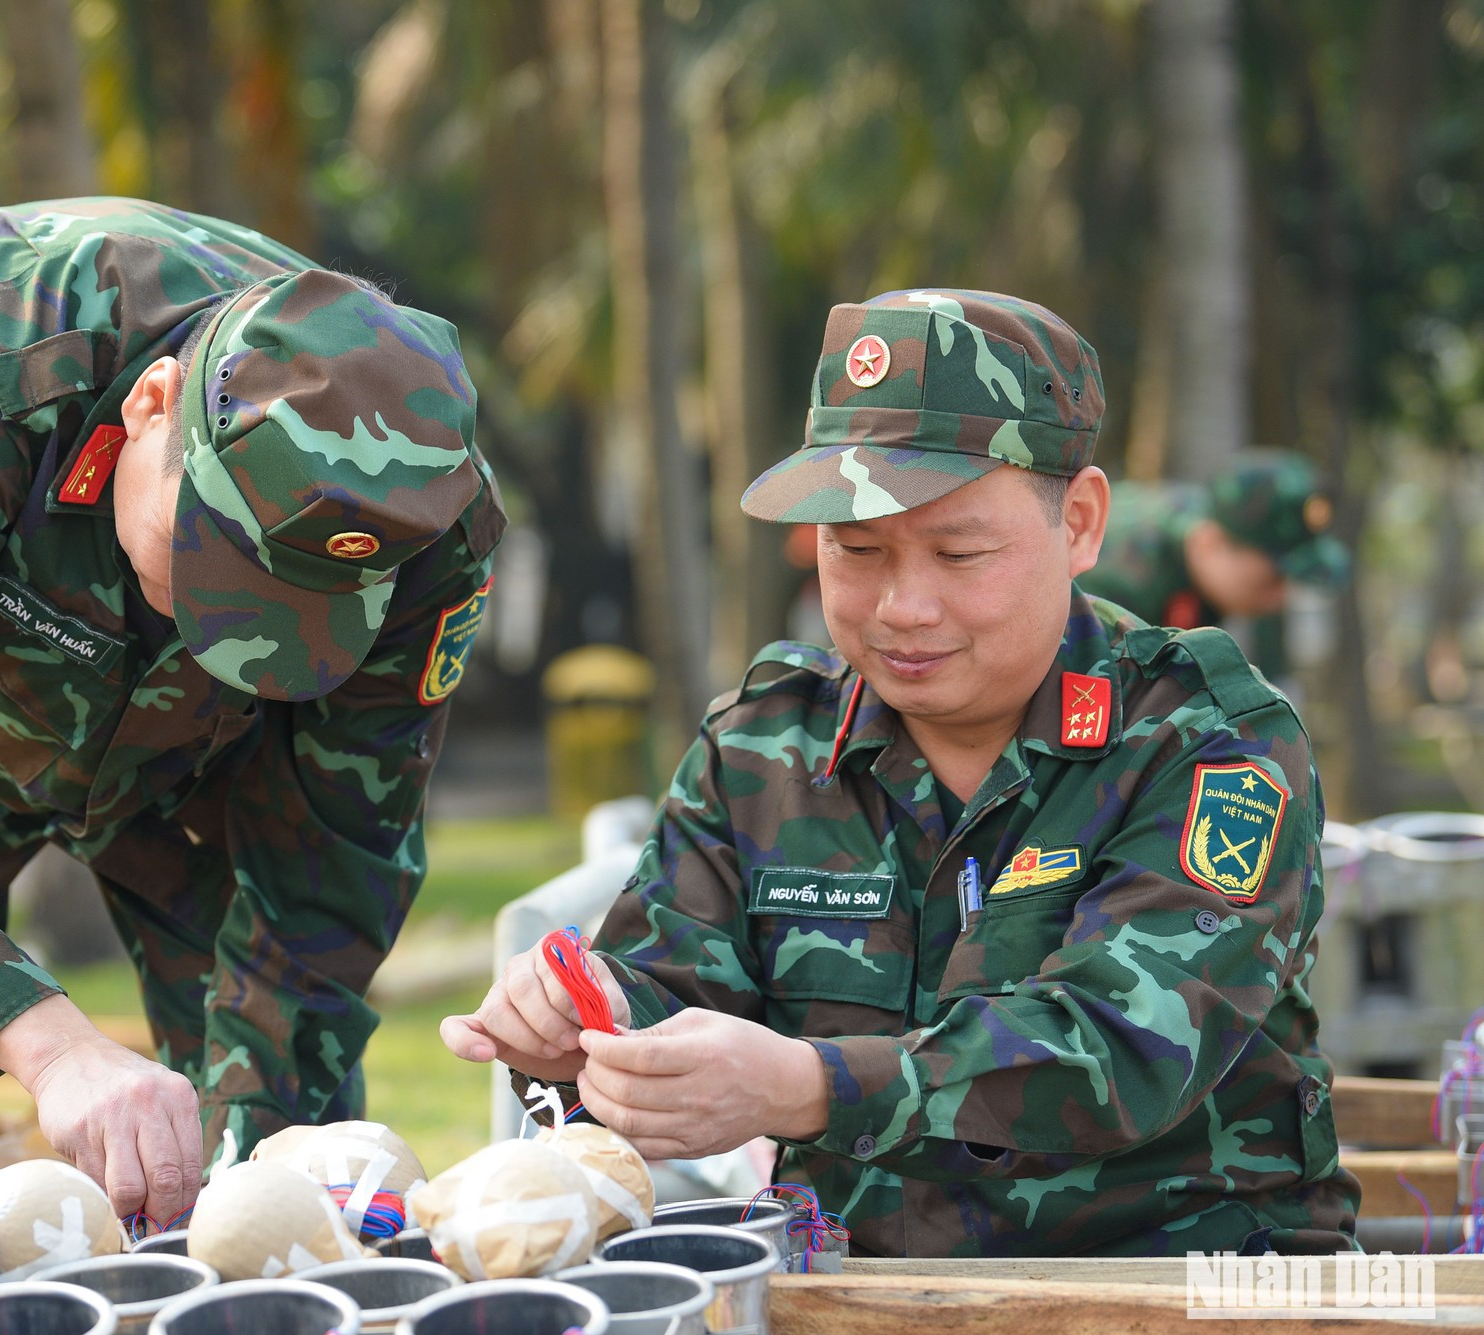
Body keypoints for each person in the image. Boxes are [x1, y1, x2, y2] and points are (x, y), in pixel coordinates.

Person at [443, 290, 1359, 1257]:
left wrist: (806, 1084)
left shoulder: (1206, 741)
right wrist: (593, 1029)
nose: (902, 606)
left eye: (959, 552)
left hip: (1176, 1288)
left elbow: (1120, 1050)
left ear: (1080, 523)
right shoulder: (765, 744)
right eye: (856, 550)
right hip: (859, 1294)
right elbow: (674, 980)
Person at [0, 198, 503, 1225]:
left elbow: (333, 859)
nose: (237, 626)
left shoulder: (425, 521)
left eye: (300, 613)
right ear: (150, 406)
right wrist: (51, 1045)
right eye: (214, 562)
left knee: (275, 1196)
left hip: (202, 774)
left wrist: (249, 1148)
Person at [1079, 450, 1348, 630]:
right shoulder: (1117, 581)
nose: (1279, 598)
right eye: (1272, 579)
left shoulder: (1204, 553)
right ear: (1209, 544)